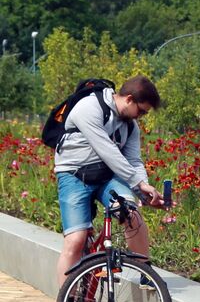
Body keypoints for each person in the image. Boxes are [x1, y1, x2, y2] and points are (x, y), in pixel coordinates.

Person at [53, 76, 163, 289]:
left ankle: (145, 272)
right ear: (129, 99)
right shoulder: (89, 107)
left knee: (131, 214)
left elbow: (133, 161)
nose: (141, 117)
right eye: (141, 111)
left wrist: (144, 193)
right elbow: (107, 150)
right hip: (74, 175)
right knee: (75, 241)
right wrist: (138, 184)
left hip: (106, 178)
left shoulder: (131, 127)